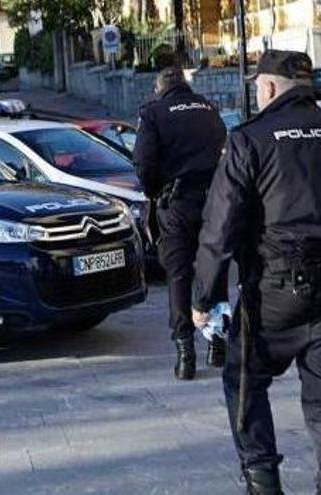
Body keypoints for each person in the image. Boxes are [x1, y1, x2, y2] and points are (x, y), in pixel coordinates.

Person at [193, 50, 321, 494]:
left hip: (273, 297)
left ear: (268, 88)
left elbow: (218, 227)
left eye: (256, 86)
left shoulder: (249, 139)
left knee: (243, 382)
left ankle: (262, 481)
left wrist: (202, 298)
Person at [133, 65, 228, 380]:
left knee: (178, 276)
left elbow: (143, 164)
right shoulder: (209, 107)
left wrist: (154, 191)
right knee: (213, 269)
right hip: (213, 201)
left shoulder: (154, 113)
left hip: (175, 204)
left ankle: (185, 353)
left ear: (159, 88)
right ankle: (217, 344)